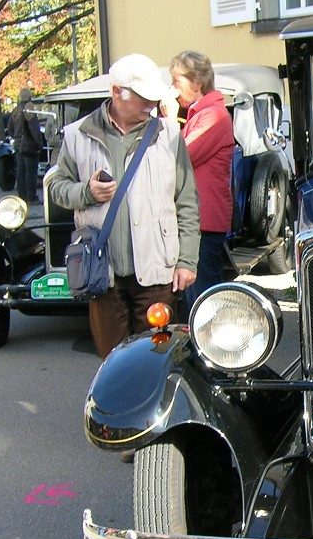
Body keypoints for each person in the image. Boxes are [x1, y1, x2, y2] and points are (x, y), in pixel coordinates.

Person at [48, 53, 199, 359]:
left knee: (159, 359)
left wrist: (187, 260)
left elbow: (186, 199)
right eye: (144, 98)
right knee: (112, 361)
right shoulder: (77, 135)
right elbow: (55, 188)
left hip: (158, 271)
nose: (151, 105)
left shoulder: (168, 134)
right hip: (103, 273)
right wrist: (86, 192)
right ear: (117, 92)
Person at [169, 50, 234, 307]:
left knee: (204, 304)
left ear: (197, 83)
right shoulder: (198, 114)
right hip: (196, 222)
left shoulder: (214, 116)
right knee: (193, 301)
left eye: (176, 81)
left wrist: (168, 118)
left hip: (204, 223)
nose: (172, 88)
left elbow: (180, 158)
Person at [7, 88, 44, 202]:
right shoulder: (29, 108)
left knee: (20, 171)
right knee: (30, 171)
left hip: (18, 143)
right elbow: (34, 127)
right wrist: (39, 143)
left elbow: (9, 128)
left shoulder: (16, 110)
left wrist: (16, 137)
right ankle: (31, 197)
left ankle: (22, 197)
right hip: (29, 142)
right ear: (29, 97)